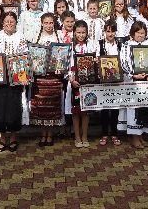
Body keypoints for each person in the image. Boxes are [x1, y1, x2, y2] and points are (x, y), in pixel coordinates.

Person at [119, 21, 148, 148]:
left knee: (147, 108)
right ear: (133, 33)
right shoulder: (127, 45)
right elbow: (123, 62)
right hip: (133, 82)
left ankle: (142, 135)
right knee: (134, 110)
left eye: (142, 33)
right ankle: (134, 137)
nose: (140, 35)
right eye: (138, 33)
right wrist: (133, 74)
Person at [0, 11, 27, 152]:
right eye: (7, 22)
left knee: (14, 107)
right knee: (0, 107)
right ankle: (3, 138)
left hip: (15, 78)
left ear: (16, 23)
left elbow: (24, 57)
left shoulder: (20, 37)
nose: (9, 24)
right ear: (2, 23)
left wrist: (23, 77)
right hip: (0, 78)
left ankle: (13, 137)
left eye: (12, 22)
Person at [29, 13, 65, 146]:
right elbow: (31, 56)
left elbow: (64, 56)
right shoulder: (36, 37)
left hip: (54, 77)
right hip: (40, 77)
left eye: (51, 23)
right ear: (42, 23)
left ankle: (50, 134)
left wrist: (60, 67)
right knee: (41, 106)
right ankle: (42, 134)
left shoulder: (59, 35)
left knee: (52, 105)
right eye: (46, 23)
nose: (49, 25)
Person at [68, 20, 98, 148]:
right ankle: (77, 136)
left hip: (88, 81)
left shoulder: (91, 45)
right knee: (76, 111)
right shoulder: (70, 46)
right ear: (74, 33)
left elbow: (95, 62)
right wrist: (71, 80)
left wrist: (96, 61)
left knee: (86, 110)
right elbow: (67, 65)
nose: (81, 35)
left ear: (87, 33)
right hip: (75, 81)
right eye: (78, 32)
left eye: (83, 32)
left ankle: (85, 135)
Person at [98, 20, 122, 146]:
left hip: (116, 81)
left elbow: (122, 60)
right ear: (104, 32)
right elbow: (97, 60)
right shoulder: (100, 44)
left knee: (115, 109)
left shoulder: (120, 44)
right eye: (108, 31)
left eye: (112, 31)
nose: (110, 34)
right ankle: (103, 134)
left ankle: (114, 133)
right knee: (104, 108)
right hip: (104, 81)